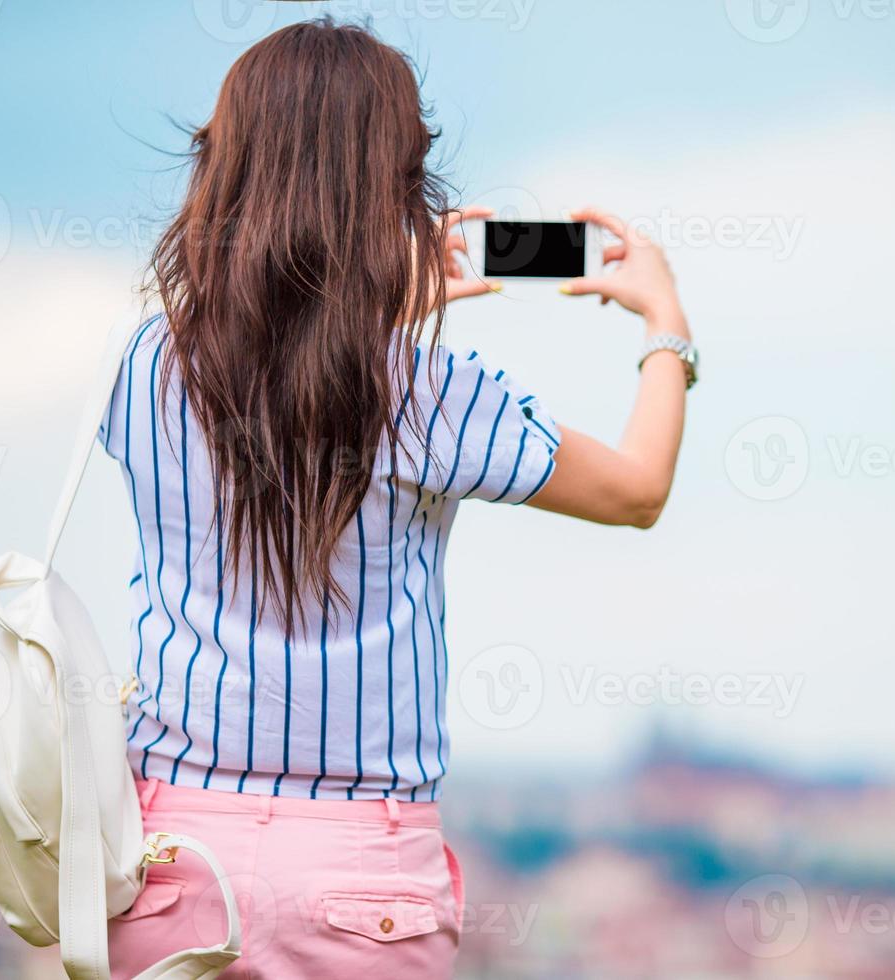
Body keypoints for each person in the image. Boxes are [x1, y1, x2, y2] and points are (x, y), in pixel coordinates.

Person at [101, 18, 697, 978]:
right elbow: (636, 490)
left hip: (166, 858)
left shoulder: (142, 366)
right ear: (398, 187)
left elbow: (274, 382)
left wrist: (358, 313)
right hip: (358, 876)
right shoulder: (425, 391)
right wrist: (667, 327)